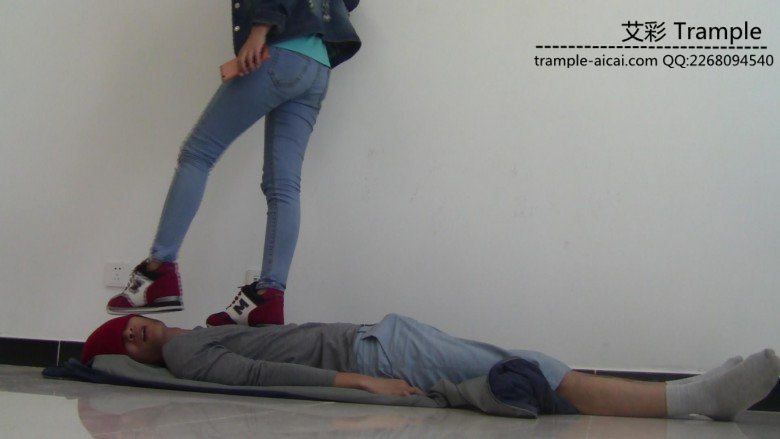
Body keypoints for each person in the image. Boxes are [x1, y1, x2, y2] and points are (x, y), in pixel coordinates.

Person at [105, 0, 362, 328]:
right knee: (283, 186)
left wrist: (260, 30)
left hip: (279, 52)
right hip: (317, 66)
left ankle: (159, 271)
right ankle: (269, 297)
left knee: (198, 153)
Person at [81, 313, 780, 420]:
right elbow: (255, 377)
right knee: (531, 368)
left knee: (523, 370)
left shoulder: (194, 335)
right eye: (131, 340)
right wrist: (356, 379)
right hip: (374, 352)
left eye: (135, 326)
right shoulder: (184, 351)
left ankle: (689, 390)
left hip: (378, 340)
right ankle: (692, 398)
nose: (142, 333)